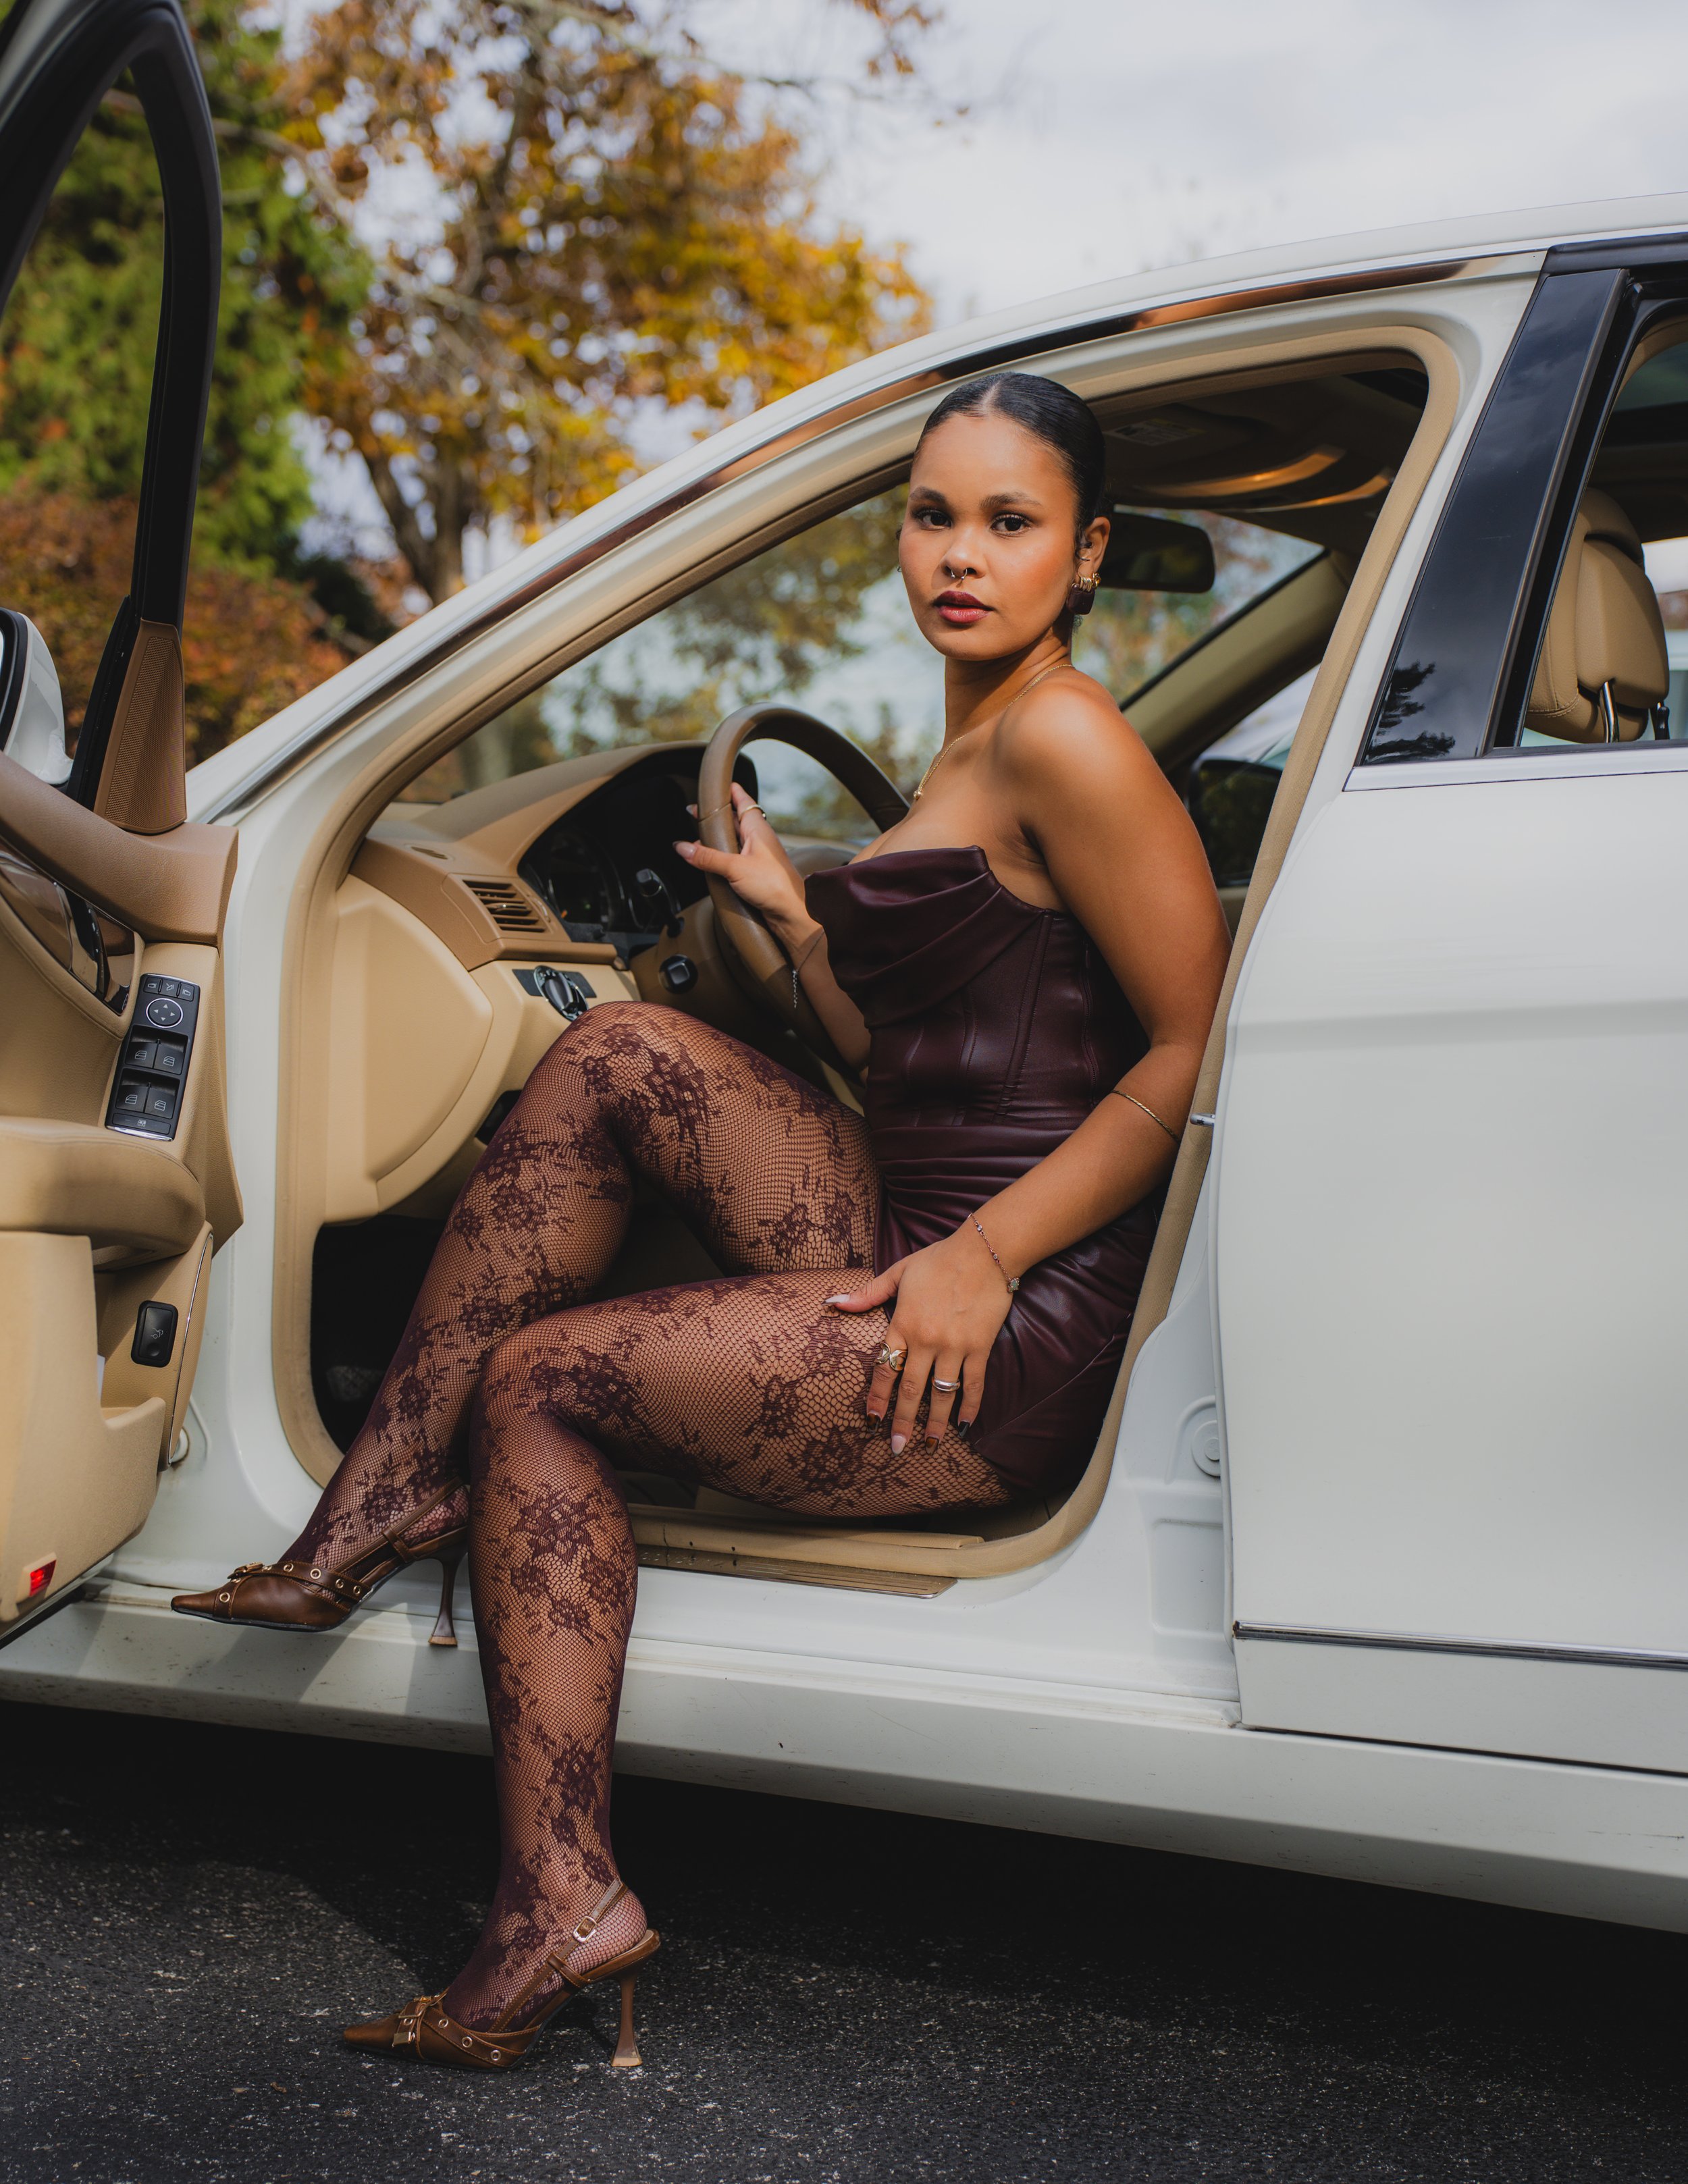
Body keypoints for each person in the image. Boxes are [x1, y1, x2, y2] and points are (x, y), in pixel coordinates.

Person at [172, 371, 1232, 2073]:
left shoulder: (1064, 736)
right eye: (931, 513)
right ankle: (372, 1498)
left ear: (1088, 550)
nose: (959, 555)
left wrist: (986, 1255)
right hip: (915, 1220)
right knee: (617, 1048)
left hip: (995, 1314)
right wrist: (795, 922)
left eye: (1010, 522)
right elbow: (922, 1057)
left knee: (543, 1380)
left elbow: (1182, 1057)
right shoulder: (974, 733)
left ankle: (558, 1900)